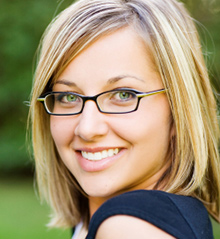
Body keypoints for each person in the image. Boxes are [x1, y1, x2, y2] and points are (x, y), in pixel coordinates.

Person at [28, 0, 220, 238]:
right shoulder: (104, 218)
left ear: (179, 108)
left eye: (123, 95)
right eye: (68, 96)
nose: (87, 129)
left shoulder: (127, 228)